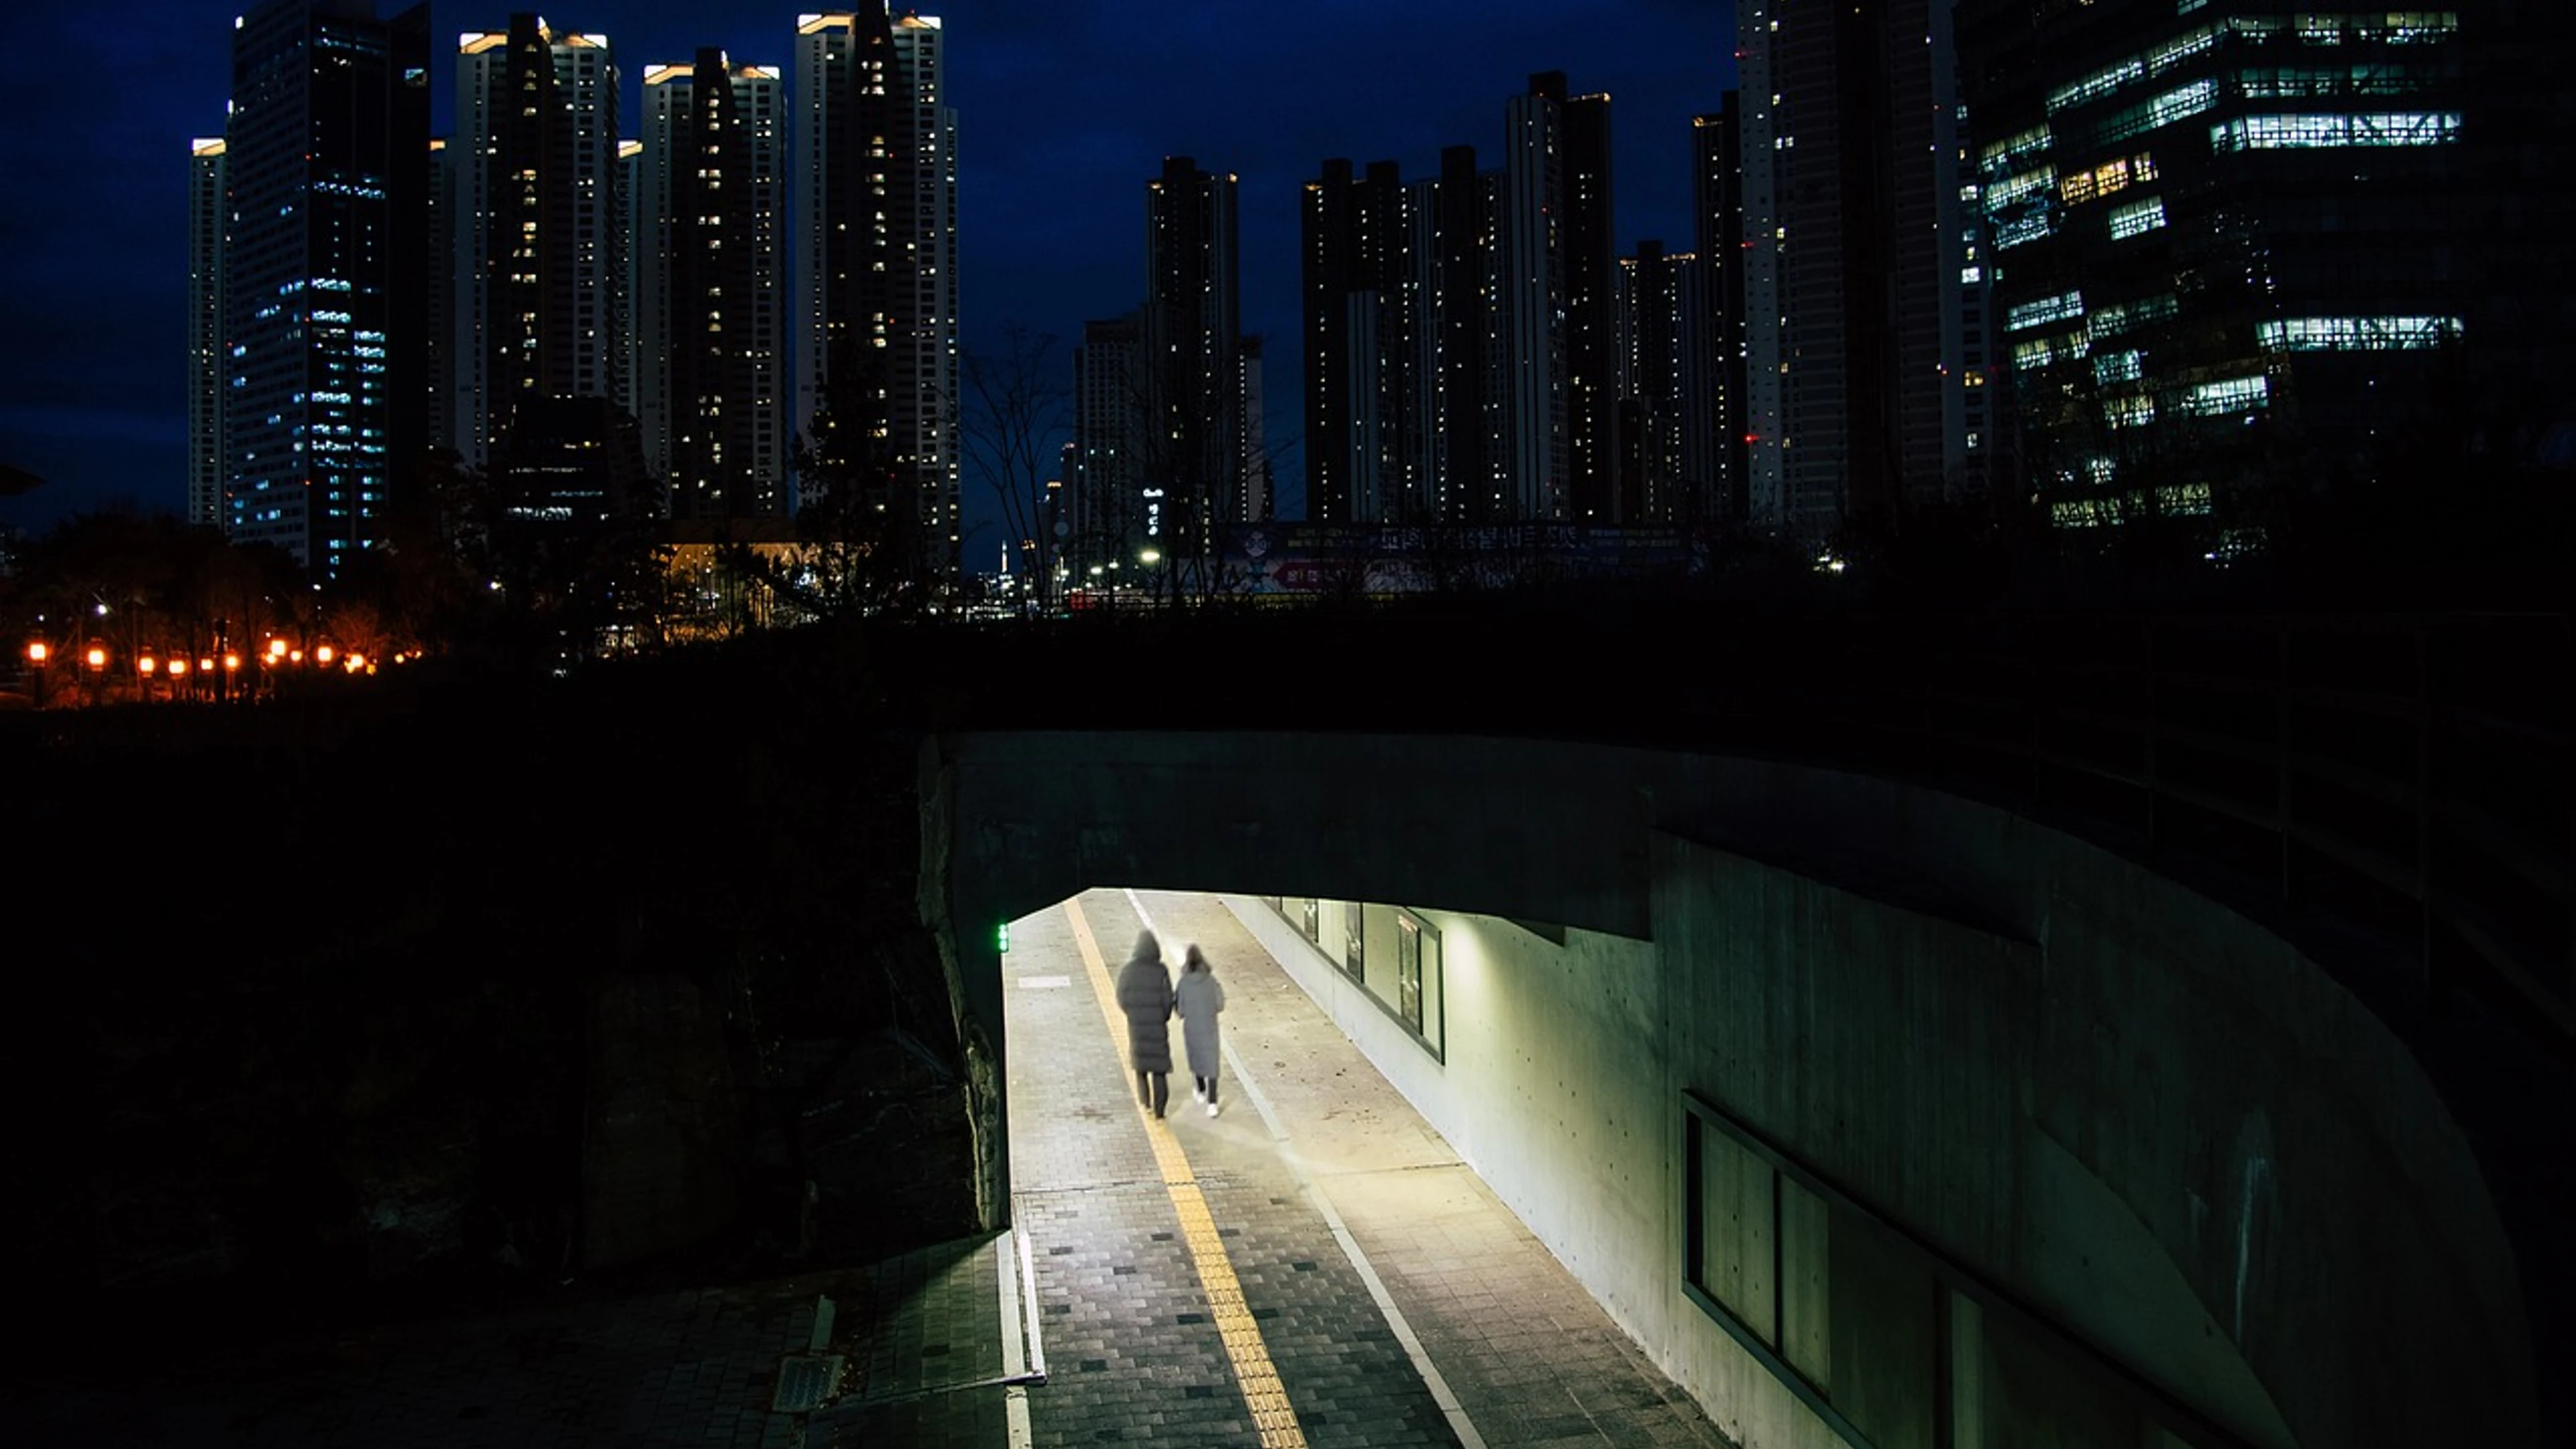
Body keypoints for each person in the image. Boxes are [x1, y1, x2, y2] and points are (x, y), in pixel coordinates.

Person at [1114, 928, 1176, 1118]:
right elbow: (1168, 999)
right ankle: (1160, 1111)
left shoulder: (1128, 971)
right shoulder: (1161, 970)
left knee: (1141, 1067)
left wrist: (1132, 1013)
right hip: (1157, 1027)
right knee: (1159, 1071)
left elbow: (1121, 997)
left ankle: (1145, 1103)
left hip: (1137, 1026)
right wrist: (1162, 1017)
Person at [1176, 943, 1226, 1117]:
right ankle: (1213, 1104)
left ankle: (1200, 1090)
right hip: (1210, 1028)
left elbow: (1180, 1010)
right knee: (1212, 1063)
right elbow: (1220, 1004)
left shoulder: (1183, 983)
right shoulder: (1212, 982)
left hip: (1192, 1028)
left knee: (1196, 1056)